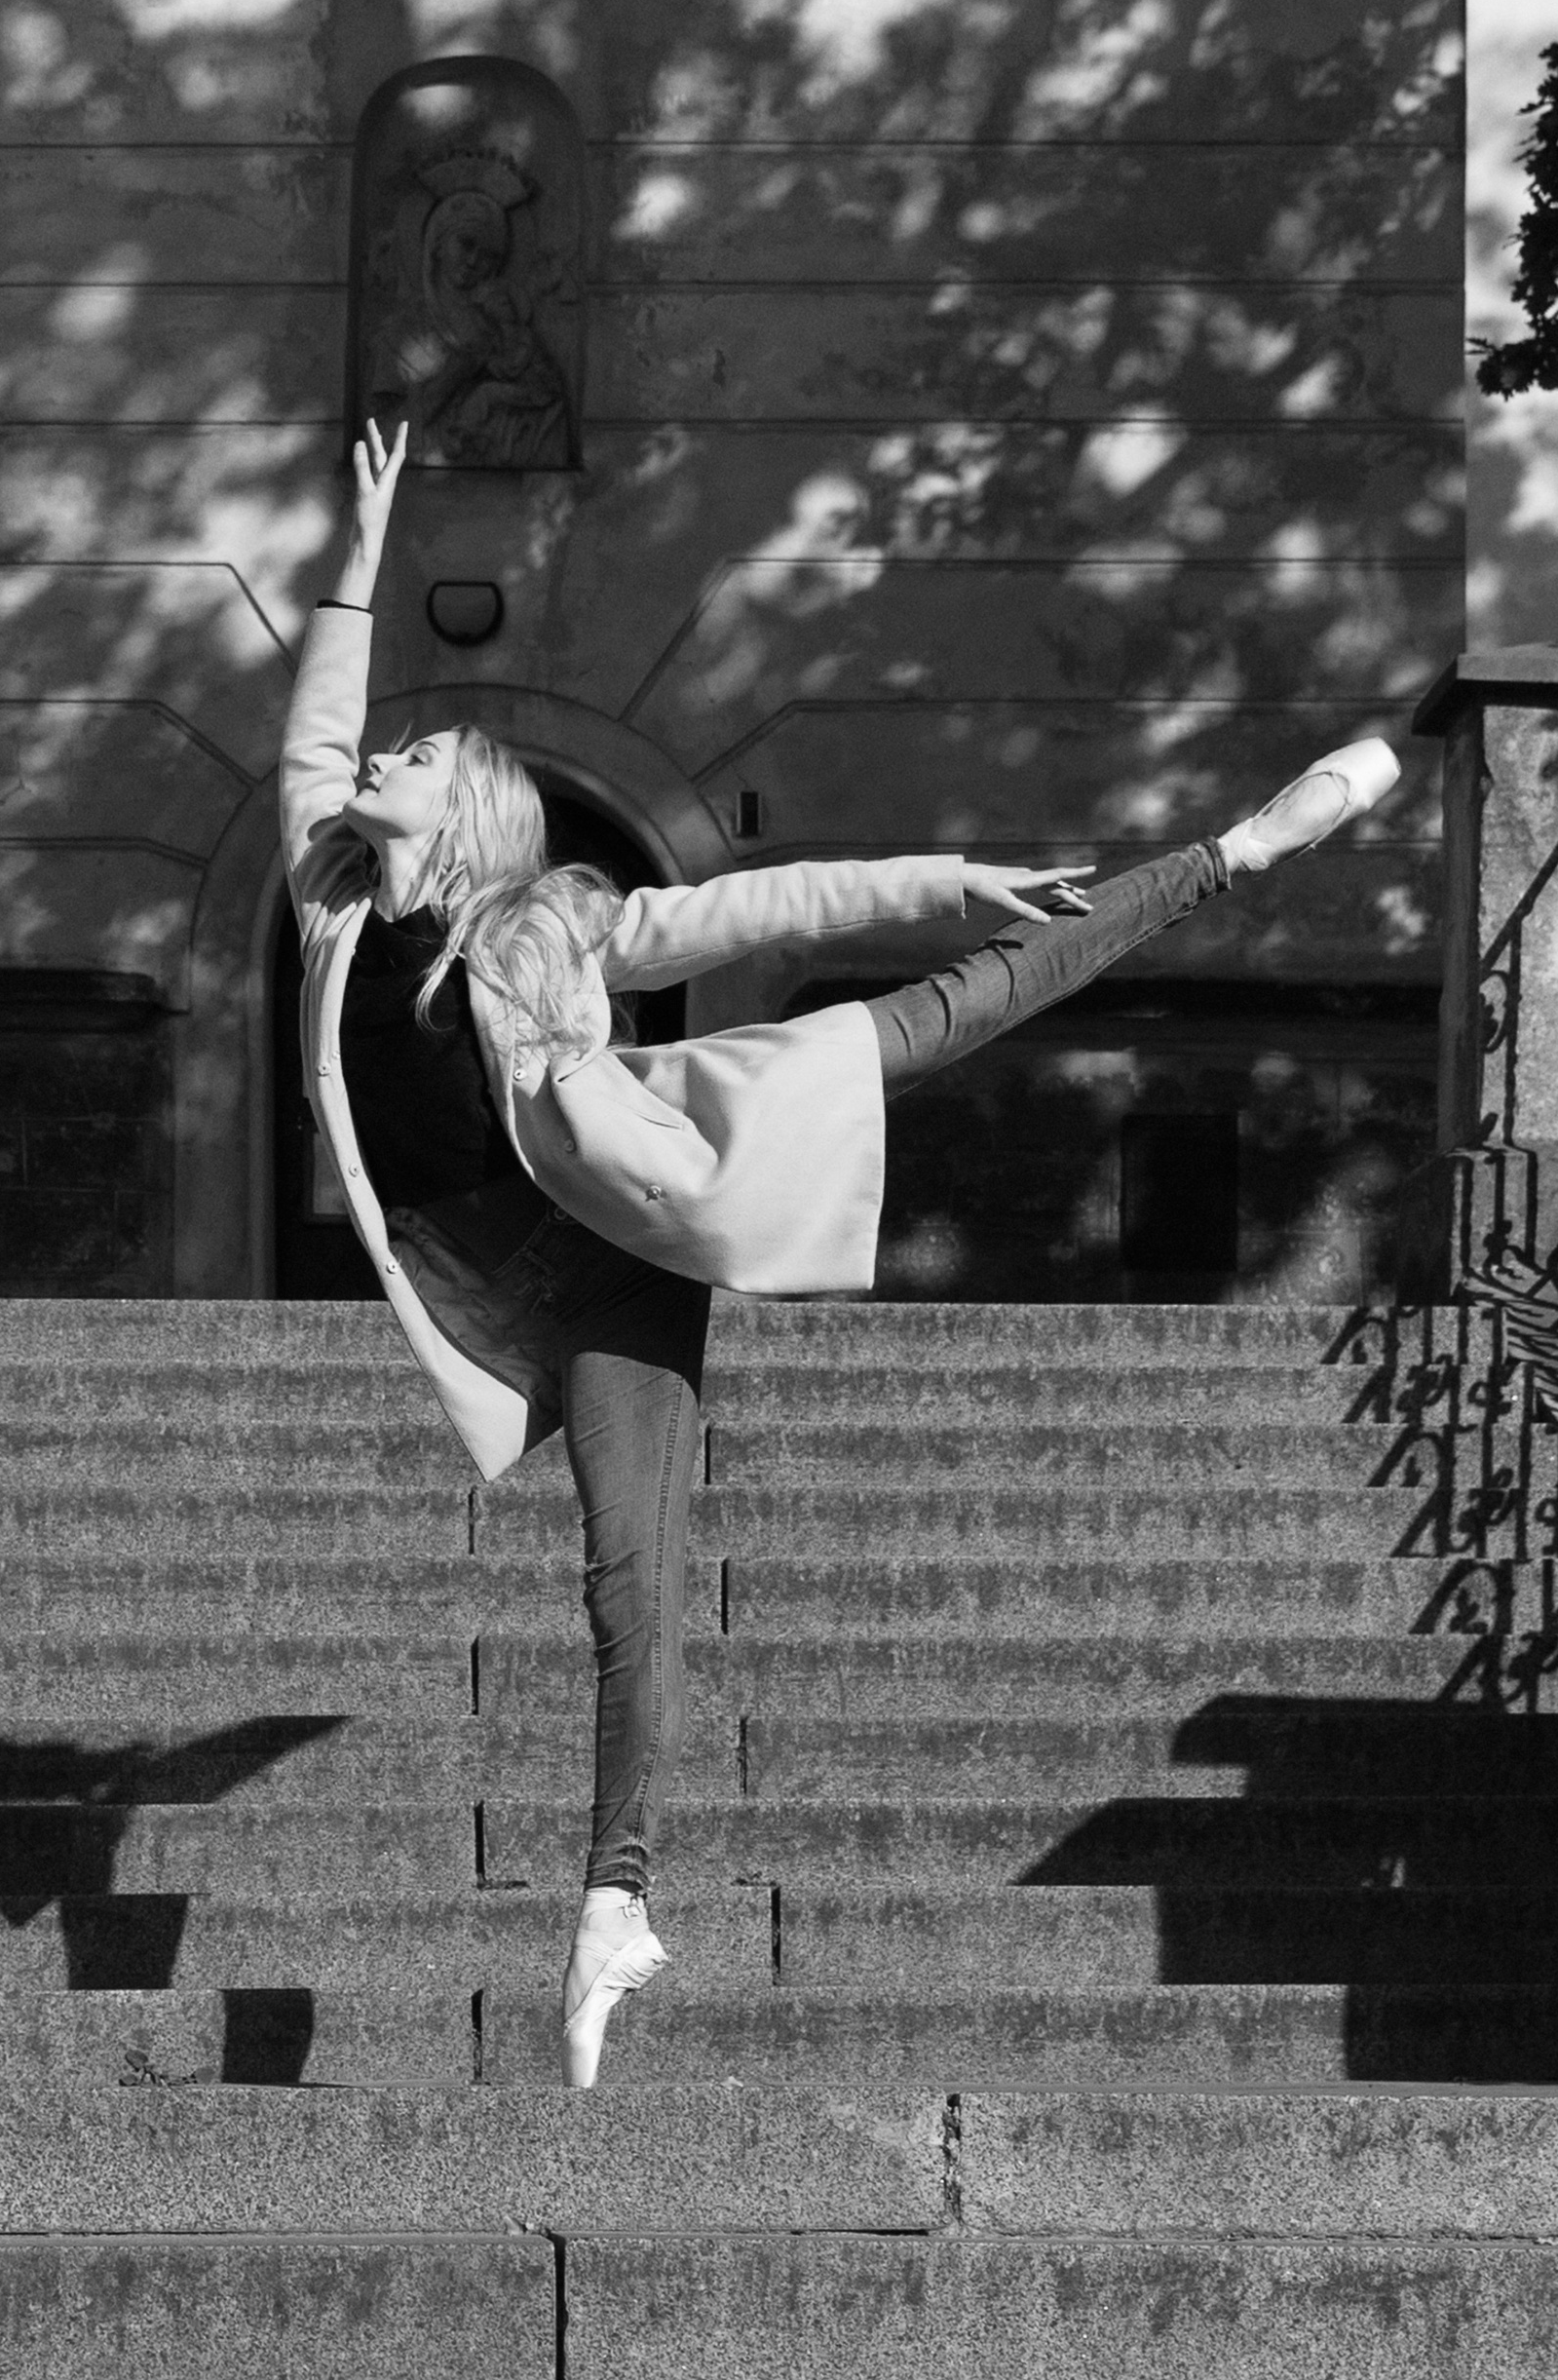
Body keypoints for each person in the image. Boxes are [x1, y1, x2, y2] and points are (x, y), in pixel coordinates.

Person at [284, 418, 1399, 2087]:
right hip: (506, 1275)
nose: (389, 753)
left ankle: (1226, 857)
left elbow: (764, 908)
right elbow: (307, 721)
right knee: (622, 1580)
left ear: (476, 809)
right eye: (399, 744)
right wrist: (361, 549)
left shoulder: (551, 923)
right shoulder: (329, 898)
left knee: (932, 1024)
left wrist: (950, 877)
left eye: (422, 749)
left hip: (647, 1223)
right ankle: (618, 1913)